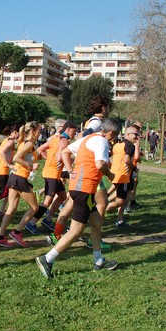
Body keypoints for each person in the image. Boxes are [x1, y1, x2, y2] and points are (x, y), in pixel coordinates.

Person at [35, 118, 121, 279]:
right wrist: (111, 175)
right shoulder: (102, 141)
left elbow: (66, 151)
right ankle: (47, 259)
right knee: (76, 231)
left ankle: (99, 260)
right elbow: (100, 164)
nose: (113, 139)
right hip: (84, 189)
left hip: (79, 188)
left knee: (96, 222)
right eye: (114, 136)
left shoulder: (87, 139)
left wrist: (70, 171)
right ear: (111, 133)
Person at [25, 120, 77, 241]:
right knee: (47, 200)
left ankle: (48, 219)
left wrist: (48, 159)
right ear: (68, 129)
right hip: (52, 174)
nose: (74, 135)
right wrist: (69, 159)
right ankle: (31, 223)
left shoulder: (55, 139)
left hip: (51, 173)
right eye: (74, 132)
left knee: (63, 196)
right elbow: (60, 157)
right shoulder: (64, 141)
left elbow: (40, 149)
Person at [0, 121, 41, 248]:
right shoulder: (29, 143)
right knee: (34, 207)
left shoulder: (25, 142)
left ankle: (0, 237)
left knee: (11, 208)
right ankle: (17, 232)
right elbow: (16, 158)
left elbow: (23, 157)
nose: (40, 133)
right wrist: (31, 166)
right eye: (39, 131)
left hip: (14, 177)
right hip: (20, 178)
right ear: (33, 132)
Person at [105, 125, 138, 227]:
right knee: (121, 200)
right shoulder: (130, 146)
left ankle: (120, 220)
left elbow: (107, 156)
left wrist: (111, 167)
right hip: (124, 176)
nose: (137, 136)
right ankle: (103, 208)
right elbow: (127, 160)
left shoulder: (118, 144)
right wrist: (133, 168)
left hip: (115, 174)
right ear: (127, 134)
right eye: (135, 134)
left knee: (124, 196)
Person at [0, 125, 19, 219]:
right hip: (2, 170)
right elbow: (2, 151)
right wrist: (8, 164)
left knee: (9, 191)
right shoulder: (10, 141)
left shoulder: (6, 140)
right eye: (19, 132)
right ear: (15, 132)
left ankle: (1, 211)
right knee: (4, 193)